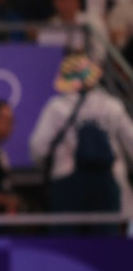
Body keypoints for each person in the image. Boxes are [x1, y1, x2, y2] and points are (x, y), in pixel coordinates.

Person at [29, 54, 133, 233]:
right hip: (107, 182)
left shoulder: (57, 107)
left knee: (67, 247)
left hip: (67, 182)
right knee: (105, 245)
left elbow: (38, 146)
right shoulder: (111, 105)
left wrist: (47, 167)